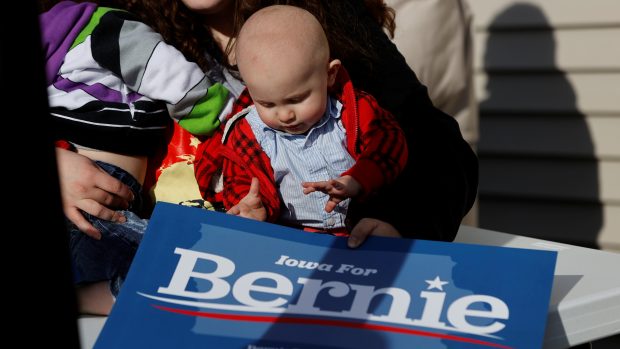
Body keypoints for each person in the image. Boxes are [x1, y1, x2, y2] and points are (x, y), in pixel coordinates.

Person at [55, 0, 477, 253]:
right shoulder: (116, 23)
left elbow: (436, 144)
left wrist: (397, 222)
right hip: (173, 266)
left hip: (328, 260)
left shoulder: (319, 16)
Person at [40, 0, 235, 314]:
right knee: (176, 265)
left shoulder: (91, 27)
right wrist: (225, 113)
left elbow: (159, 66)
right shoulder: (94, 26)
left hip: (122, 200)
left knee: (168, 266)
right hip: (92, 196)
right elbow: (168, 72)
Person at [194, 5, 408, 235]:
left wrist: (358, 179)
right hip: (293, 236)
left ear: (330, 75)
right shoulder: (249, 133)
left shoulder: (352, 111)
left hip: (358, 227)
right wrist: (251, 206)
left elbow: (389, 143)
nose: (285, 115)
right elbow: (241, 178)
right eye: (267, 104)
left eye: (298, 99)